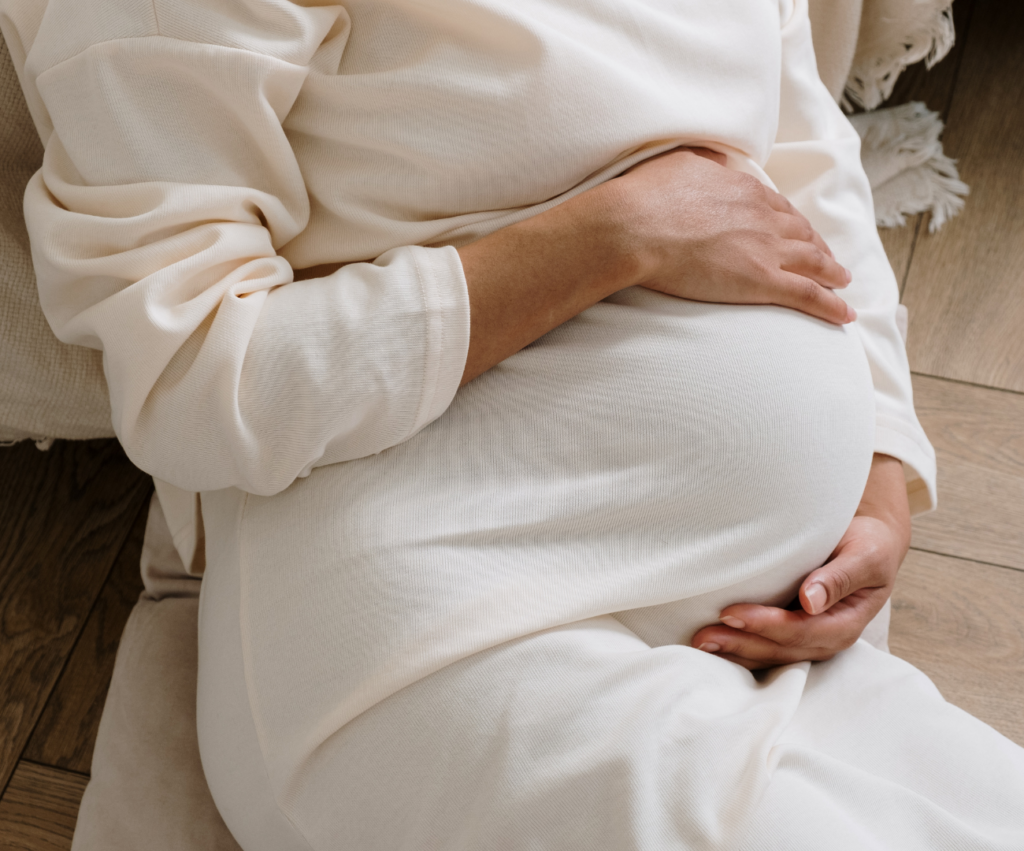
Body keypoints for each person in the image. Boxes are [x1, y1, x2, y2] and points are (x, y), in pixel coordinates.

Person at [5, 0, 1024, 846]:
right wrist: (611, 235)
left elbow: (798, 135)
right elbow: (190, 377)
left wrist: (883, 464)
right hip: (431, 620)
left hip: (763, 606)